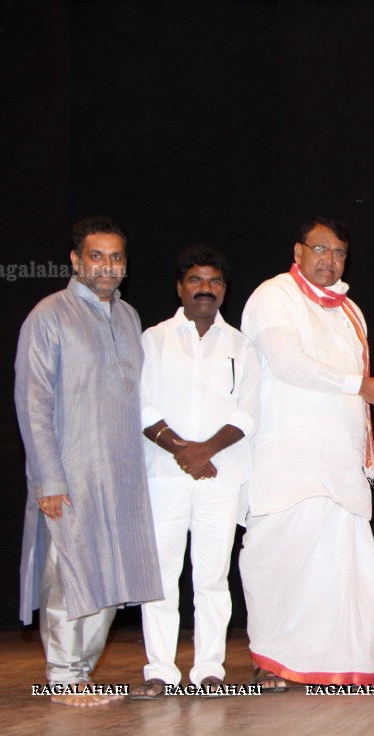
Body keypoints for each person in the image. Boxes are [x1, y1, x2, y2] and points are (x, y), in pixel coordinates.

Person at [240, 217, 374, 688]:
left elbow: (363, 391)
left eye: (339, 253)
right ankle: (272, 661)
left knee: (343, 570)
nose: (329, 260)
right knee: (281, 562)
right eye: (320, 249)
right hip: (289, 457)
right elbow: (288, 365)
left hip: (341, 461)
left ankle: (344, 663)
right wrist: (361, 386)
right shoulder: (273, 296)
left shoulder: (351, 310)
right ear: (298, 252)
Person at [15, 216, 161, 706]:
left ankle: (82, 671)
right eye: (96, 256)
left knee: (111, 572)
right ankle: (63, 676)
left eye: (116, 257)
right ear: (75, 261)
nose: (107, 266)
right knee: (69, 571)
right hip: (70, 471)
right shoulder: (49, 315)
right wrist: (48, 478)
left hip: (121, 471)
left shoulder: (129, 317)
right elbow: (33, 401)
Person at [131, 245, 260, 699]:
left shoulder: (242, 346)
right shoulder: (152, 338)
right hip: (163, 476)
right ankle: (160, 670)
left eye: (215, 281)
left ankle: (210, 668)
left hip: (220, 478)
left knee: (210, 577)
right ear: (180, 287)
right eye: (195, 280)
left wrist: (204, 451)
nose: (205, 289)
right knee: (162, 577)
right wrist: (180, 449)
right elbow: (140, 402)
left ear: (224, 289)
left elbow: (249, 411)